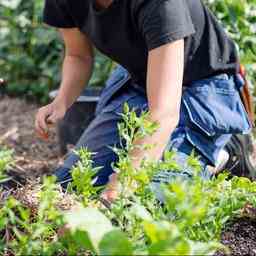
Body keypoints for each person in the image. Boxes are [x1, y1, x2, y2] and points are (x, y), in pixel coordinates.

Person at [35, 0, 254, 203]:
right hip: (141, 80)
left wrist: (120, 186)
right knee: (68, 188)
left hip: (203, 88)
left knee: (151, 201)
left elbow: (163, 113)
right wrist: (61, 101)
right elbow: (78, 55)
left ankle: (224, 149)